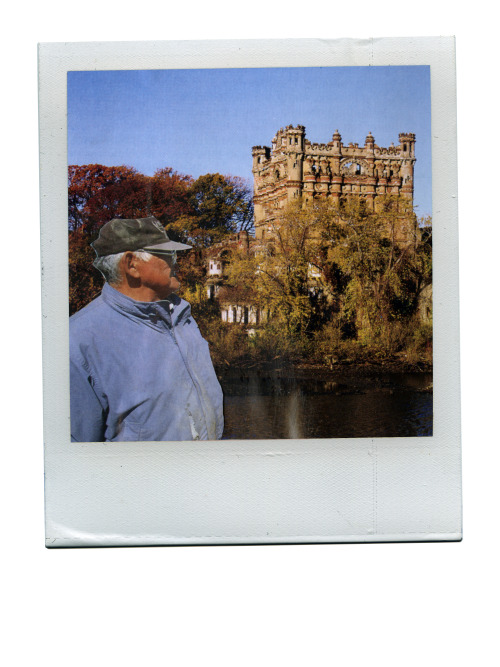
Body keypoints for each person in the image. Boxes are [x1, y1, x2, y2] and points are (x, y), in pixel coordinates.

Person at [70, 216, 224, 442]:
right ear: (131, 264)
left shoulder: (182, 317)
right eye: (167, 255)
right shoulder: (79, 340)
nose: (176, 262)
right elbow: (76, 459)